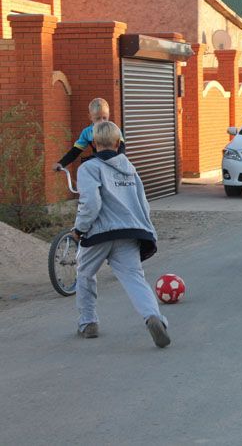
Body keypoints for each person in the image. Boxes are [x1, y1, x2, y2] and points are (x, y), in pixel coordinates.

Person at [72, 121, 170, 348]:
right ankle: (153, 317)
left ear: (94, 144)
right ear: (118, 143)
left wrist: (79, 229)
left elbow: (91, 203)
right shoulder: (130, 168)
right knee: (135, 278)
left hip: (98, 234)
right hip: (129, 232)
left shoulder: (88, 168)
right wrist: (146, 230)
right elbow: (143, 204)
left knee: (85, 274)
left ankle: (88, 323)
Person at [53, 98, 125, 171]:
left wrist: (120, 164)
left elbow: (121, 147)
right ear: (90, 117)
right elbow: (75, 151)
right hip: (99, 164)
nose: (101, 121)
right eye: (98, 118)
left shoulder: (114, 129)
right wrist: (62, 163)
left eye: (104, 118)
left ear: (109, 115)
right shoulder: (87, 132)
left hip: (114, 162)